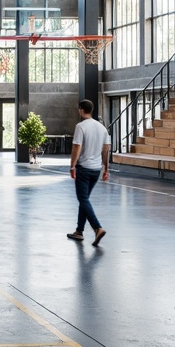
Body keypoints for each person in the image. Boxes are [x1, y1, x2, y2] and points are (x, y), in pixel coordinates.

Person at [67, 99, 109, 246]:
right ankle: (79, 231)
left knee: (83, 199)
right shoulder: (102, 128)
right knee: (84, 199)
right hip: (96, 170)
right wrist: (106, 169)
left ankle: (97, 228)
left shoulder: (80, 126)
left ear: (80, 110)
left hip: (83, 168)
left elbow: (76, 147)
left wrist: (72, 166)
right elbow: (105, 150)